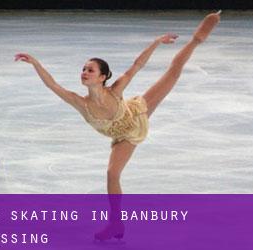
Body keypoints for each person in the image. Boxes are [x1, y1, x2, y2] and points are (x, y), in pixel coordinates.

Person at [15, 11, 221, 240]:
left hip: (139, 112)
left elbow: (137, 65)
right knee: (112, 174)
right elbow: (52, 85)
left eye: (90, 70)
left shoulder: (115, 90)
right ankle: (115, 223)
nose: (84, 73)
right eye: (83, 69)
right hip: (125, 137)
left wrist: (156, 42)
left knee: (172, 72)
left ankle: (196, 40)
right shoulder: (80, 103)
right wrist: (35, 63)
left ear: (102, 77)